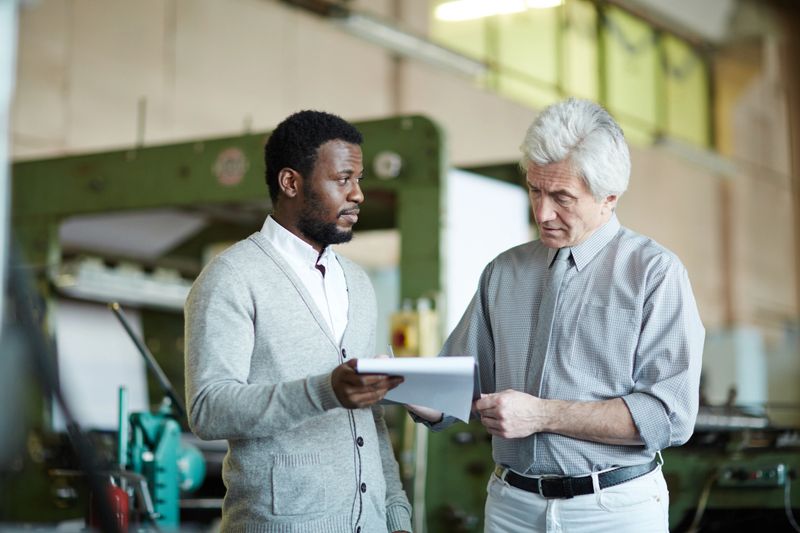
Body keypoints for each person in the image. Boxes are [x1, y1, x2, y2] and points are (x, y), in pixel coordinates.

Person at [410, 98, 704, 532]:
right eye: (535, 190)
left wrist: (543, 415)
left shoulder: (654, 273)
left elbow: (669, 416)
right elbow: (464, 381)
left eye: (562, 197)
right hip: (511, 506)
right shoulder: (503, 271)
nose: (542, 213)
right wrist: (413, 391)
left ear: (609, 198)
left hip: (613, 511)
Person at [185, 110, 412, 533]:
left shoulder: (357, 283)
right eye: (343, 179)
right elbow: (208, 409)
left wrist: (396, 515)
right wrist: (326, 390)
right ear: (291, 183)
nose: (358, 194)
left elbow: (368, 418)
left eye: (358, 180)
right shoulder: (232, 277)